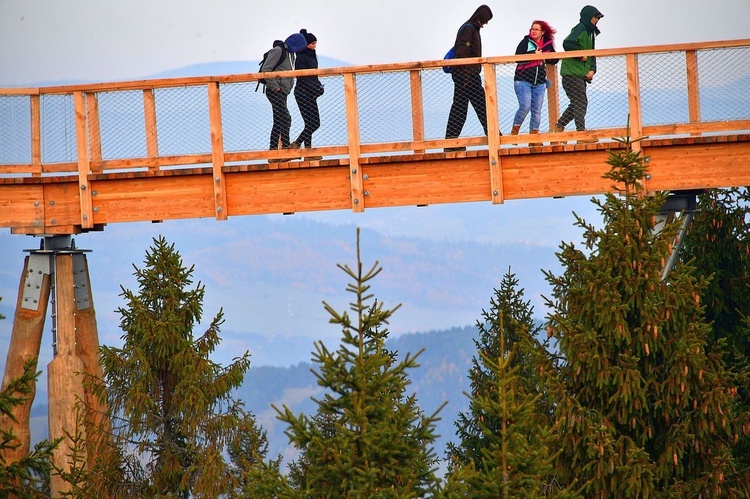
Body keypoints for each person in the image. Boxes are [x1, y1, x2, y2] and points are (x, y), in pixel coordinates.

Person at [444, 5, 493, 153]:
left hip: (465, 75)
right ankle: (493, 135)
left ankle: (451, 142)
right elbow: (463, 53)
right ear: (482, 17)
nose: (486, 23)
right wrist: (465, 76)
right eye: (486, 20)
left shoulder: (469, 27)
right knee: (476, 106)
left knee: (462, 108)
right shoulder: (469, 29)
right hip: (467, 75)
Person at [552, 5, 603, 144]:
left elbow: (592, 53)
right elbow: (567, 43)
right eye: (595, 17)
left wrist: (593, 69)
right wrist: (580, 55)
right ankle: (581, 134)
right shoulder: (580, 28)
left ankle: (559, 127)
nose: (597, 20)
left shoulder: (590, 33)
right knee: (580, 102)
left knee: (578, 103)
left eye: (598, 18)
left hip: (579, 74)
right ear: (589, 16)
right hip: (571, 73)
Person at [511, 21, 558, 144]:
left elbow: (555, 59)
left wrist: (547, 56)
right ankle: (514, 133)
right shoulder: (526, 42)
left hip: (540, 82)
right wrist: (533, 54)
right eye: (532, 29)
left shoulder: (547, 44)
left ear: (543, 32)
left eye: (537, 29)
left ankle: (533, 138)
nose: (533, 31)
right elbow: (517, 57)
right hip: (523, 81)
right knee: (525, 107)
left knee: (536, 110)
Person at [260, 39, 299, 162]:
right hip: (275, 91)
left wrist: (286, 89)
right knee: (286, 118)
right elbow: (265, 70)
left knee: (278, 121)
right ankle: (285, 149)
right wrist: (275, 87)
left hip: (282, 92)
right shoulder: (278, 51)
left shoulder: (290, 54)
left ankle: (273, 154)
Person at [292, 29, 325, 161]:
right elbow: (303, 78)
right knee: (313, 123)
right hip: (303, 93)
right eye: (312, 43)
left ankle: (307, 151)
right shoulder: (301, 57)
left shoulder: (312, 56)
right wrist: (315, 89)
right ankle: (298, 144)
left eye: (315, 43)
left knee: (311, 123)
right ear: (306, 44)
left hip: (311, 93)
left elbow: (313, 76)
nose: (314, 46)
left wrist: (319, 88)